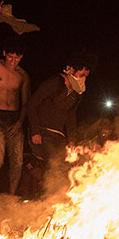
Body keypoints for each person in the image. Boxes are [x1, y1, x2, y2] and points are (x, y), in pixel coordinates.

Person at [0, 3, 31, 197]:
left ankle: (11, 196)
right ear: (5, 54)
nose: (14, 61)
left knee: (17, 160)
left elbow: (25, 102)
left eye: (17, 58)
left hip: (14, 118)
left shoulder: (23, 75)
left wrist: (20, 122)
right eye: (11, 57)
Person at [27, 53, 93, 195]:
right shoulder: (55, 83)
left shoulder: (77, 95)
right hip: (42, 132)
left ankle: (59, 198)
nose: (83, 79)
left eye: (86, 76)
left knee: (70, 163)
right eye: (81, 75)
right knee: (55, 162)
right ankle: (47, 197)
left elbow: (71, 117)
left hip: (58, 135)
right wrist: (35, 131)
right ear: (71, 70)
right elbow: (32, 104)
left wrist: (71, 140)